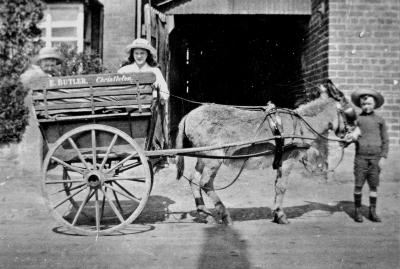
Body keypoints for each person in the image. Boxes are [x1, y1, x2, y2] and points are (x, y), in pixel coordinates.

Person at [118, 38, 170, 151]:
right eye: (136, 53)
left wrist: (161, 96)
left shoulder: (154, 71)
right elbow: (117, 92)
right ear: (132, 54)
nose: (139, 56)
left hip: (148, 109)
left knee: (158, 113)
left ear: (148, 55)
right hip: (127, 109)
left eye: (142, 53)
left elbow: (165, 92)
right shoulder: (124, 71)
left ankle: (155, 147)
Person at [349, 89, 388, 223]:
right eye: (364, 104)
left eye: (369, 104)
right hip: (360, 158)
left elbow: (385, 140)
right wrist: (351, 137)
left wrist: (383, 157)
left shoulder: (380, 120)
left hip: (375, 158)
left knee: (373, 186)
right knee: (358, 185)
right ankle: (358, 211)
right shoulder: (357, 120)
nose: (367, 107)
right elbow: (351, 136)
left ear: (375, 104)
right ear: (360, 105)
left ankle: (372, 212)